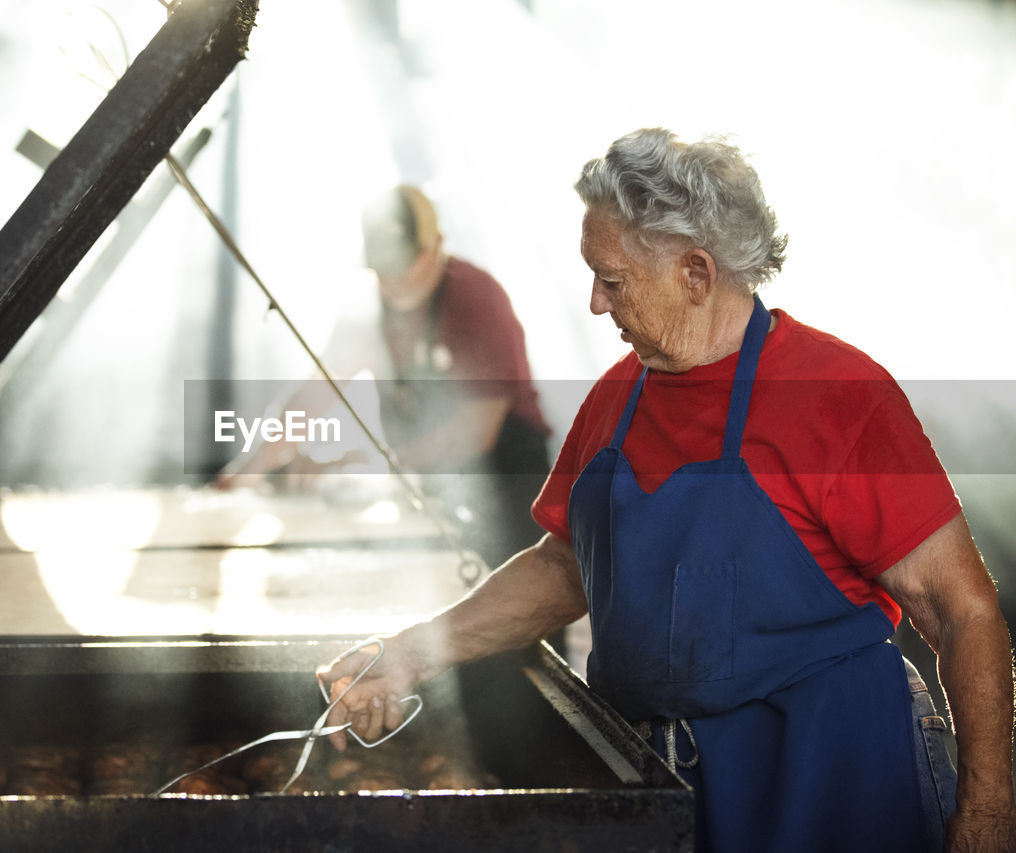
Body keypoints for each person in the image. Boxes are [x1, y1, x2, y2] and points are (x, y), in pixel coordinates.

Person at [316, 129, 1016, 852]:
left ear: (695, 272)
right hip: (668, 792)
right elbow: (563, 569)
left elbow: (961, 607)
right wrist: (408, 652)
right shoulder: (614, 402)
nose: (594, 302)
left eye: (611, 279)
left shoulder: (838, 396)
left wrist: (990, 811)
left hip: (834, 784)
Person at [215, 185, 552, 571]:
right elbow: (315, 394)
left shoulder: (475, 298)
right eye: (382, 265)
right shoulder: (366, 309)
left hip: (507, 480)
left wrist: (376, 466)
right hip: (429, 484)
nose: (393, 279)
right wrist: (248, 469)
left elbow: (478, 429)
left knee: (521, 606)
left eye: (403, 261)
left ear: (436, 245)